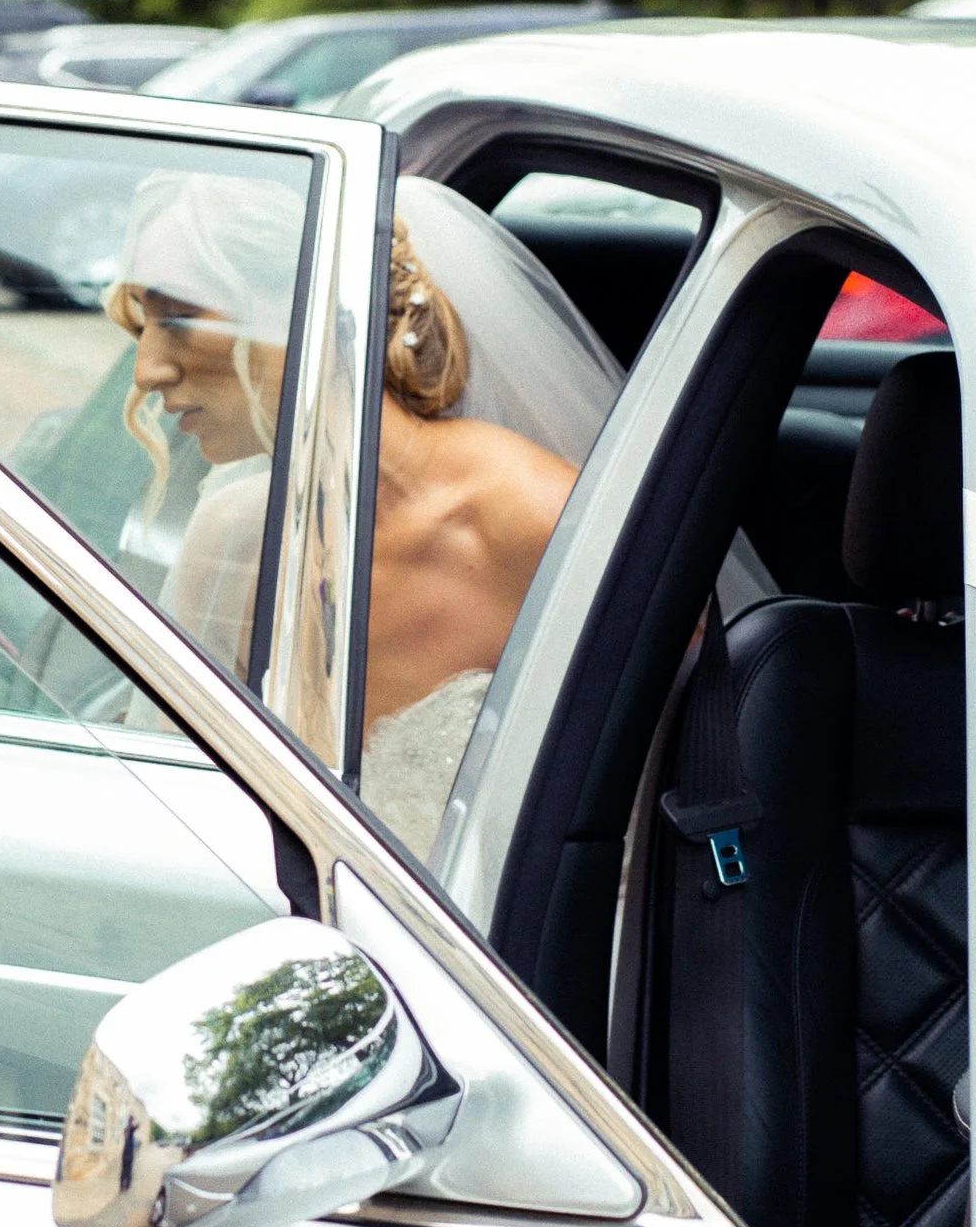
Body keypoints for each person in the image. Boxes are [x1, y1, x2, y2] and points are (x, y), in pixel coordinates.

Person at [108, 168, 619, 849]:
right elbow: (179, 825)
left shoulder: (542, 527)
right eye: (142, 324)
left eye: (177, 317)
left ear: (309, 305)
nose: (146, 371)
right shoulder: (232, 539)